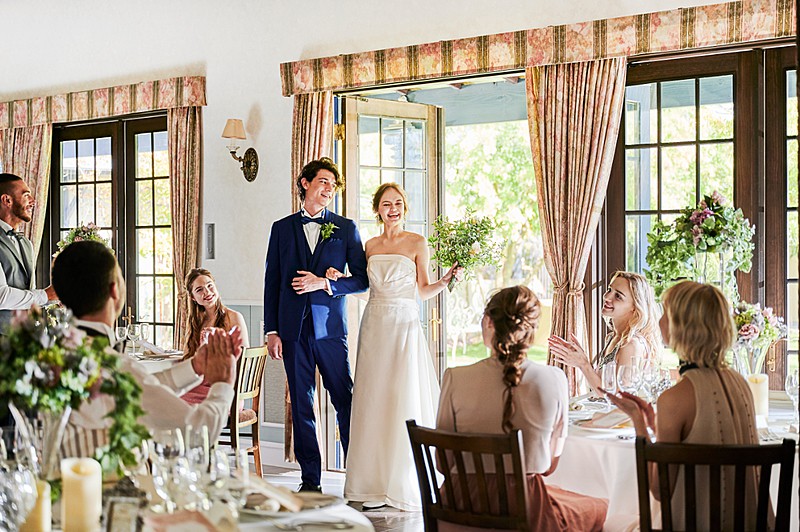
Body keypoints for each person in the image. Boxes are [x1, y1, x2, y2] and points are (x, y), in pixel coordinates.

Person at [437, 286, 607, 531]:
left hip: (458, 511)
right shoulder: (554, 379)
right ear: (533, 331)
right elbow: (548, 468)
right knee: (599, 508)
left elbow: (443, 464)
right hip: (525, 511)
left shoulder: (454, 377)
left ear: (488, 322)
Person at [52, 241, 242, 458]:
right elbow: (198, 433)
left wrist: (194, 367)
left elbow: (141, 390)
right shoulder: (113, 367)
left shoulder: (57, 354)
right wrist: (223, 383)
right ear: (115, 290)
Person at [340, 182, 462, 511]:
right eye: (386, 204)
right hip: (374, 325)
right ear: (377, 209)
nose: (392, 209)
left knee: (401, 396)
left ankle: (401, 482)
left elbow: (421, 290)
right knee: (373, 399)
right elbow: (365, 288)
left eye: (397, 203)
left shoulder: (417, 242)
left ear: (404, 208)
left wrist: (445, 281)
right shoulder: (370, 245)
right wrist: (338, 279)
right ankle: (370, 485)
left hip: (404, 326)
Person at [606, 281, 761, 529]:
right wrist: (656, 426)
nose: (659, 320)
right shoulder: (741, 384)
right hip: (748, 525)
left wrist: (639, 423)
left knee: (609, 520)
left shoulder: (675, 397)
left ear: (681, 326)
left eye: (665, 313)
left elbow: (661, 489)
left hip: (693, 525)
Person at [263, 157, 368, 493]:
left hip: (331, 331)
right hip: (292, 331)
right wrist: (272, 330)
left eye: (333, 186)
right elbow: (272, 281)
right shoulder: (281, 228)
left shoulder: (345, 228)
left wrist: (325, 283)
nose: (328, 189)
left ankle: (358, 476)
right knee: (302, 405)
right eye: (323, 182)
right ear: (305, 183)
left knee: (345, 400)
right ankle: (310, 482)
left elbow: (362, 280)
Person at [548, 271, 660, 394]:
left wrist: (583, 364)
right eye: (609, 290)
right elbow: (602, 386)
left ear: (635, 306)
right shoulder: (612, 337)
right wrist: (579, 358)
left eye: (618, 296)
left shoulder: (631, 344)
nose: (607, 297)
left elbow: (618, 396)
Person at [181, 267, 249, 405]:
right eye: (199, 290)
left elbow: (245, 362)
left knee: (174, 401)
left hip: (226, 392)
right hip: (201, 386)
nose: (207, 292)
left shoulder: (234, 317)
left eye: (210, 286)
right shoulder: (197, 323)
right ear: (193, 298)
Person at [0, 173, 56, 330]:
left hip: (25, 335)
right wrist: (46, 295)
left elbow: (29, 295)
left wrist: (54, 298)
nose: (33, 201)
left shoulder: (26, 244)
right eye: (26, 195)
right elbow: (1, 296)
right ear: (7, 200)